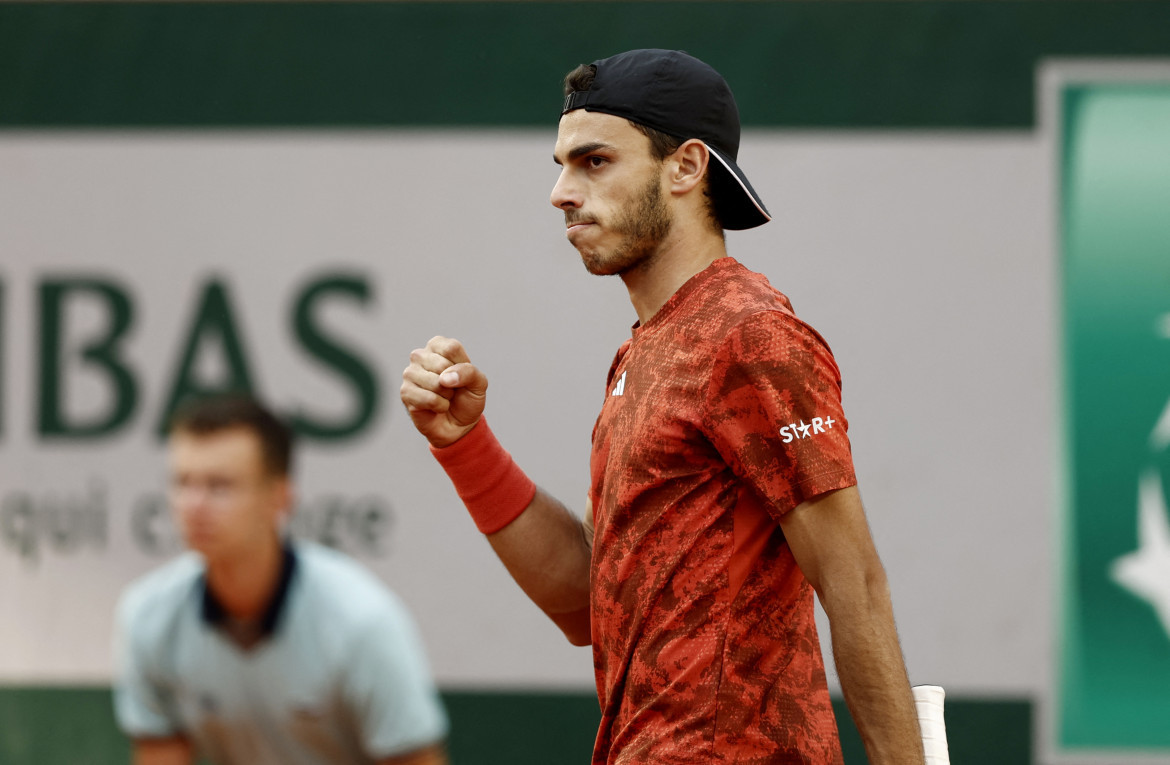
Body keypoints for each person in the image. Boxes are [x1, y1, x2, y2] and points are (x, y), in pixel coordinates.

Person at [400, 49, 923, 764]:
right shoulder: (643, 351)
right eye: (560, 164)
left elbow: (853, 579)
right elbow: (590, 599)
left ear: (685, 167)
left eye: (593, 162)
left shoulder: (752, 333)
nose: (560, 191)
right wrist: (466, 444)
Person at [113, 393, 449, 765]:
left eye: (219, 486)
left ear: (279, 497)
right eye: (182, 482)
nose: (194, 505)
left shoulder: (362, 622)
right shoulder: (147, 615)